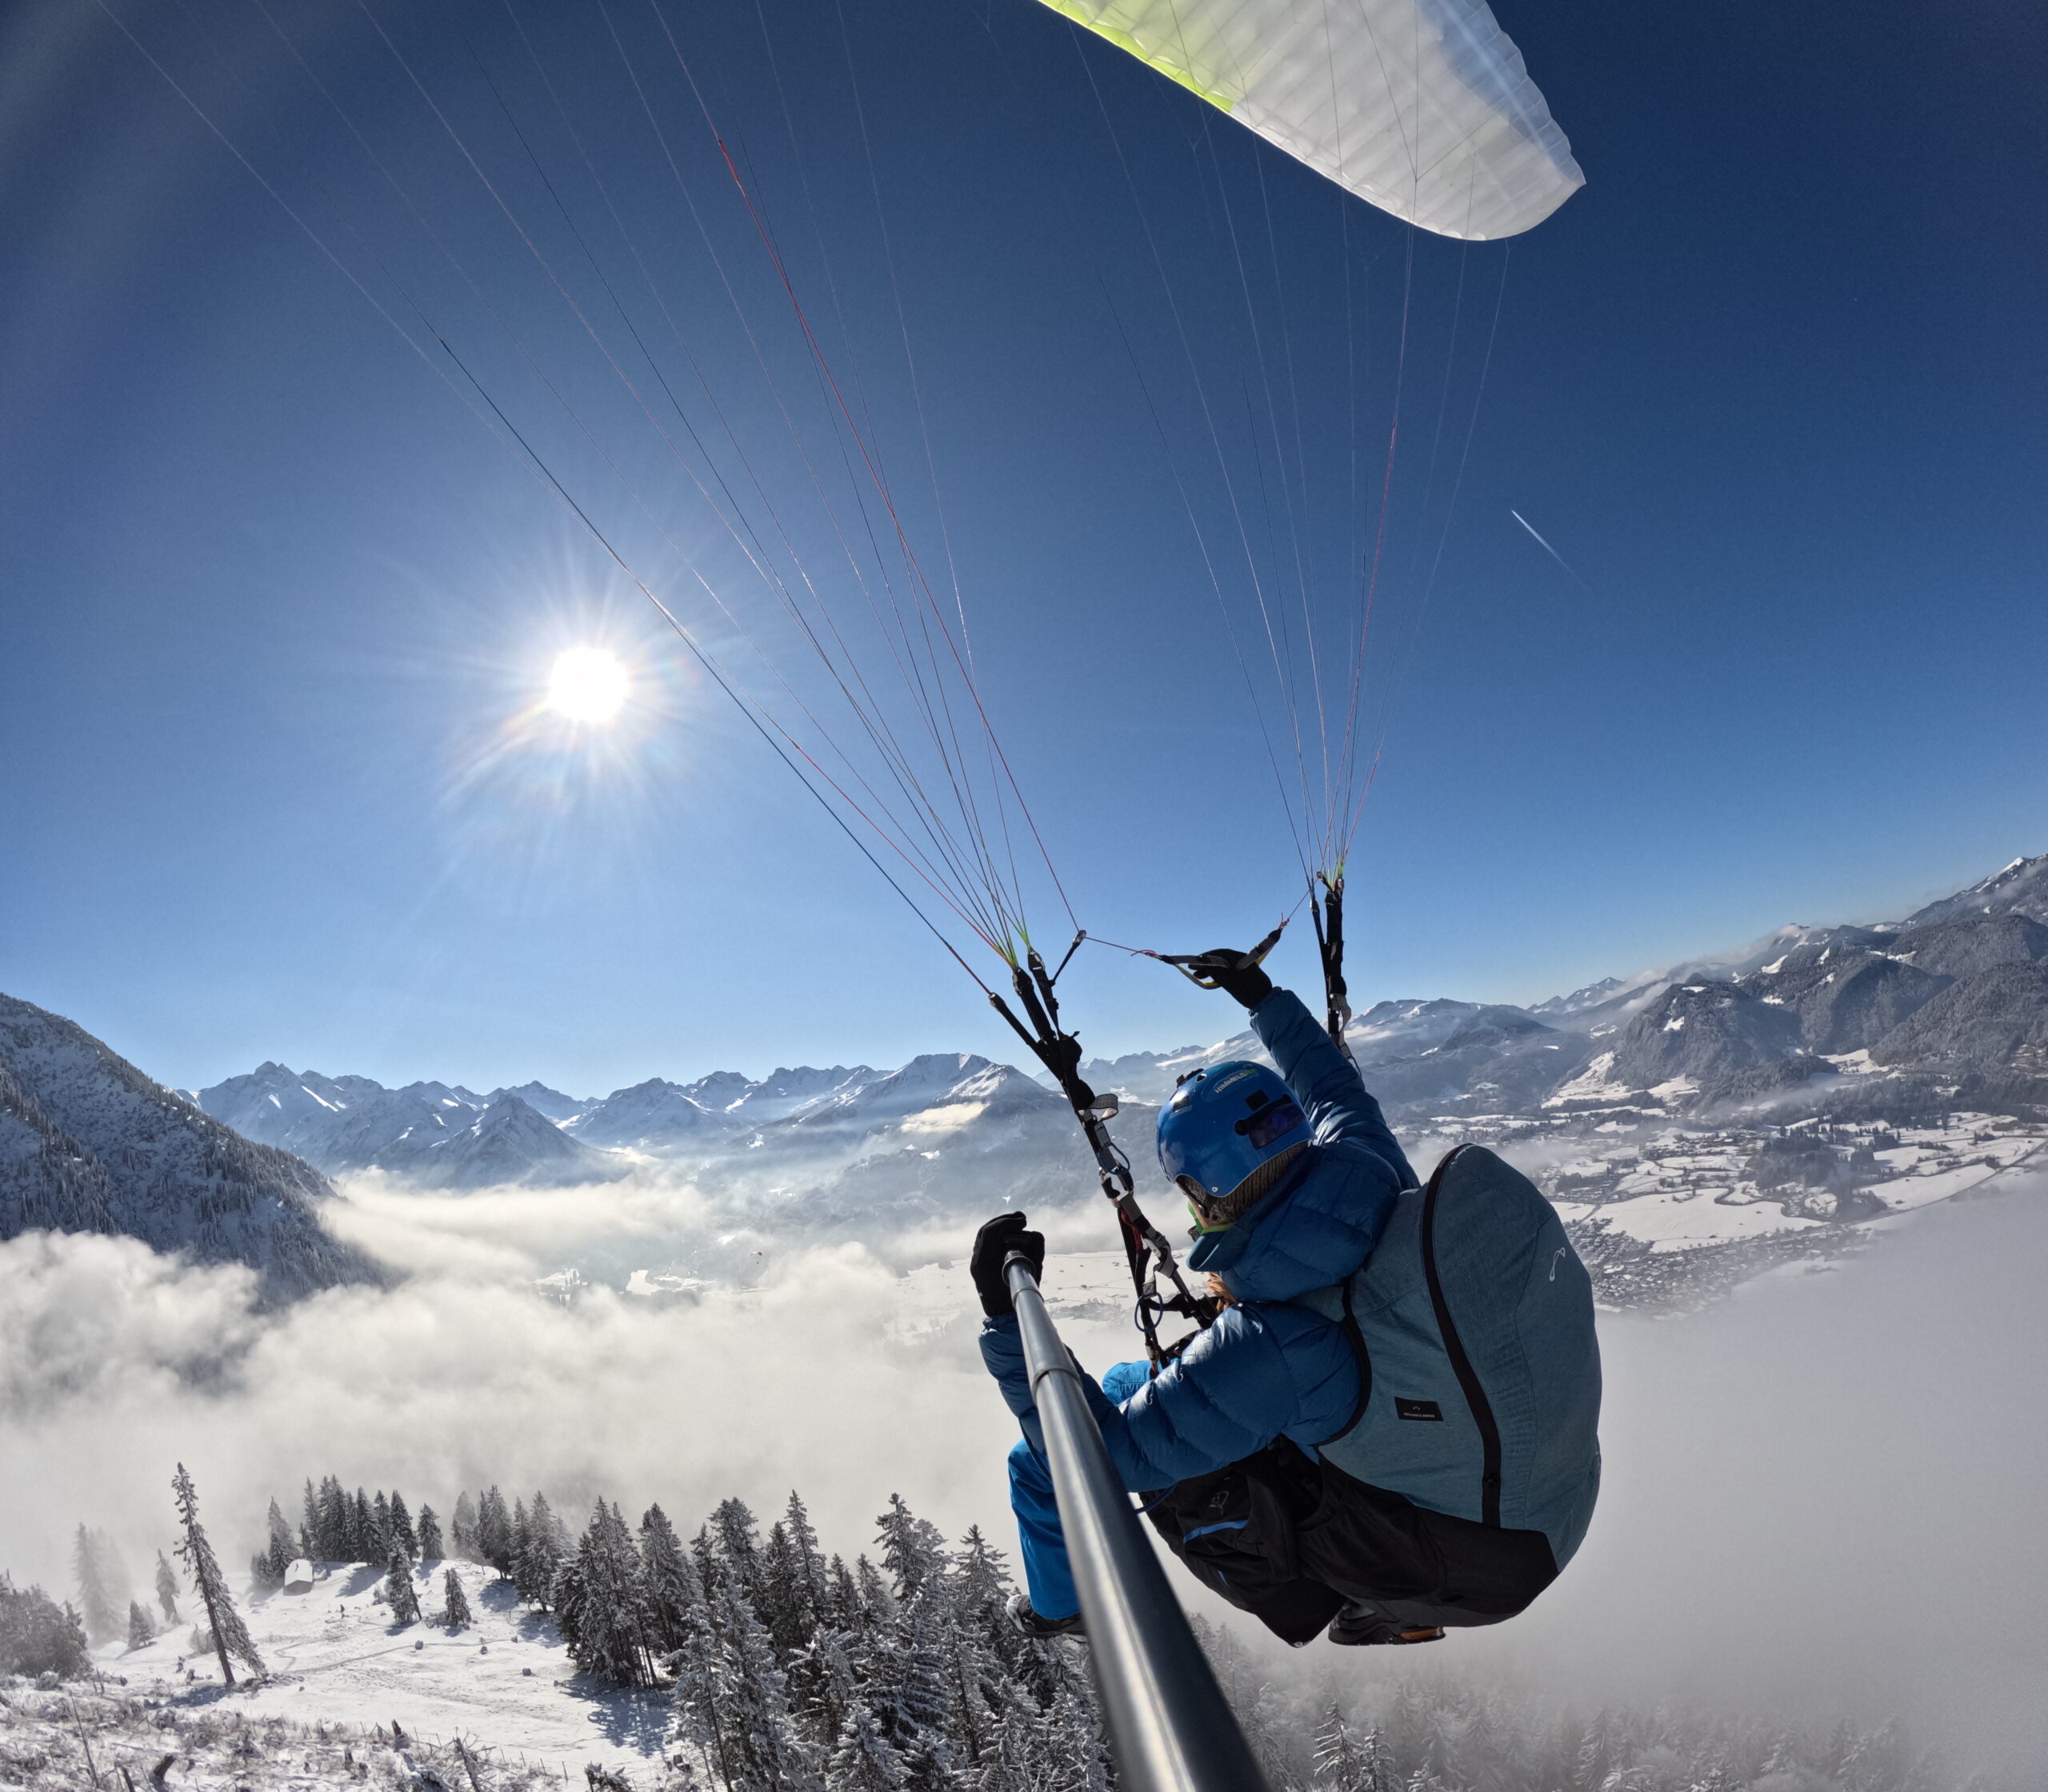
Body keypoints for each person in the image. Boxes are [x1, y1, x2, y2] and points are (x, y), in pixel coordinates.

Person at [973, 946, 1600, 1648]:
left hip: (1476, 1567)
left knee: (1056, 1455)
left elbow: (1102, 1457)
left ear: (1201, 1195)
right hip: (1555, 1499)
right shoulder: (1372, 1170)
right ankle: (1391, 1583)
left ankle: (1067, 1608)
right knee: (1141, 1385)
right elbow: (1331, 1085)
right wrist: (1262, 996)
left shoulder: (1276, 1347)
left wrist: (1007, 1319)